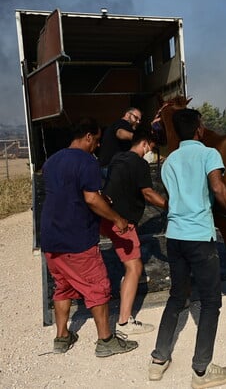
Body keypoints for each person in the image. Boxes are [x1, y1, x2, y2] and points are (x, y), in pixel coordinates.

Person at [148, 108, 226, 388]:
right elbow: (218, 189)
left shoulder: (169, 161)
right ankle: (201, 371)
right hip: (199, 237)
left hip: (174, 237)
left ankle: (158, 360)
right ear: (199, 129)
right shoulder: (209, 154)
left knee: (176, 297)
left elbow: (173, 197)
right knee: (210, 302)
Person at [40, 117, 138, 357]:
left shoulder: (52, 161)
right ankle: (106, 340)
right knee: (97, 286)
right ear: (87, 137)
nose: (97, 145)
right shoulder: (87, 161)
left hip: (51, 237)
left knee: (62, 287)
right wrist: (117, 218)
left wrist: (101, 200)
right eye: (96, 140)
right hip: (76, 237)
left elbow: (67, 194)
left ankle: (62, 337)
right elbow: (91, 199)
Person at [100, 128, 168, 334]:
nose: (151, 152)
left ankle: (128, 291)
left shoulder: (118, 158)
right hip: (122, 221)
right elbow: (148, 193)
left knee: (130, 263)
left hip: (106, 216)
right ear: (145, 143)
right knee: (134, 267)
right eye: (152, 147)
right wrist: (172, 205)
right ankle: (124, 322)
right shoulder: (140, 163)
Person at [98, 107, 142, 177]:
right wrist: (139, 138)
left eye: (139, 120)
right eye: (136, 118)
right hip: (112, 168)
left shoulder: (115, 124)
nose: (138, 122)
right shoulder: (124, 123)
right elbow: (120, 133)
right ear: (127, 115)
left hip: (106, 167)